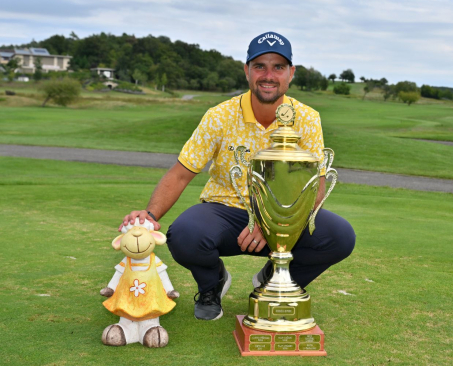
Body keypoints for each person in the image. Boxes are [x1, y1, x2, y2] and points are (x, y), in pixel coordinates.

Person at [120, 31, 355, 321]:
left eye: (278, 67)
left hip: (284, 218)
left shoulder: (307, 118)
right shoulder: (219, 115)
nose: (268, 75)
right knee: (184, 235)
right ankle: (212, 284)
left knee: (340, 237)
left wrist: (271, 225)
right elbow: (181, 173)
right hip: (225, 212)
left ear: (291, 73)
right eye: (259, 66)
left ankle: (276, 279)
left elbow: (315, 186)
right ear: (246, 71)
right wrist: (149, 214)